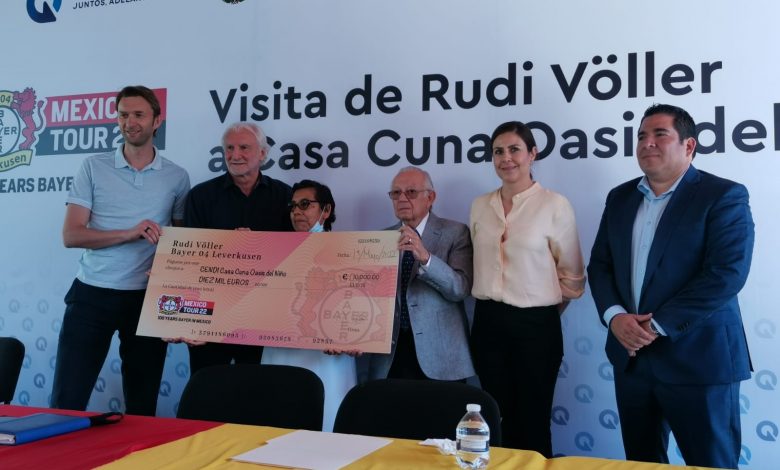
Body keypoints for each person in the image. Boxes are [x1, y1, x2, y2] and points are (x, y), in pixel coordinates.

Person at [587, 104, 754, 469]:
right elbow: (600, 266)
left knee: (710, 464)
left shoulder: (723, 195)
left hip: (700, 362)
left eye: (660, 134)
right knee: (641, 463)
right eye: (641, 136)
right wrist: (615, 318)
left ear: (688, 145)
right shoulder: (620, 197)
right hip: (632, 361)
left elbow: (726, 273)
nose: (647, 143)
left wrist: (654, 325)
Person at [51, 85, 190, 415]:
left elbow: (181, 244)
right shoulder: (93, 166)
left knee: (142, 407)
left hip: (146, 300)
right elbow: (71, 235)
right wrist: (128, 234)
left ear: (157, 120)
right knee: (67, 402)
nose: (130, 122)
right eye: (123, 115)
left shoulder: (177, 177)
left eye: (139, 115)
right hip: (91, 294)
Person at [470, 121, 585, 455]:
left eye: (514, 149)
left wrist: (541, 309)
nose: (506, 158)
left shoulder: (555, 205)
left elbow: (573, 276)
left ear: (532, 154)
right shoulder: (480, 205)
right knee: (496, 417)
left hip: (536, 324)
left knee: (534, 419)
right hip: (488, 322)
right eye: (498, 152)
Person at [182, 122, 292, 376]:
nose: (235, 155)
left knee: (257, 391)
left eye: (244, 147)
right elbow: (188, 260)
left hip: (264, 317)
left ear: (262, 153)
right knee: (207, 387)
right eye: (229, 148)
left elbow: (296, 258)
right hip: (211, 317)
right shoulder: (200, 196)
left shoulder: (285, 197)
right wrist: (227, 249)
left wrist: (258, 247)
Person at [360, 166, 475, 383]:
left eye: (411, 192)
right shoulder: (381, 239)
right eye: (396, 193)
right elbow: (368, 298)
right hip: (390, 357)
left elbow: (460, 289)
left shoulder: (455, 232)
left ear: (430, 197)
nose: (402, 198)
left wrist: (426, 258)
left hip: (441, 356)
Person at [261, 179, 357, 432]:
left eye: (305, 204)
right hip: (279, 352)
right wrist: (242, 249)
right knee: (276, 420)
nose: (296, 211)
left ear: (326, 210)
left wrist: (355, 337)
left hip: (326, 356)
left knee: (326, 421)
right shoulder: (272, 252)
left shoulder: (350, 251)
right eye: (293, 206)